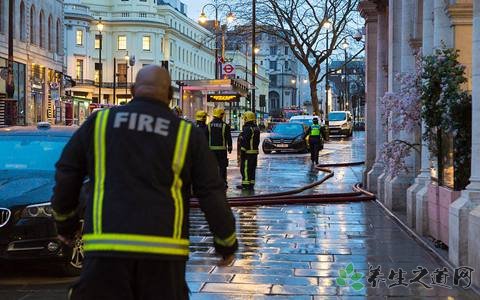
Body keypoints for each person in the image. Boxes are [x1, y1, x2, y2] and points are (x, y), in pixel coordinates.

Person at [51, 65, 237, 300]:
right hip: (163, 254)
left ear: (131, 90)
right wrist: (226, 241)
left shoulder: (99, 123)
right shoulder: (185, 134)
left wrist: (65, 224)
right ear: (170, 94)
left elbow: (68, 172)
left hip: (105, 250)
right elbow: (211, 192)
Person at [207, 108, 232, 187]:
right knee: (222, 167)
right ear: (221, 115)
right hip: (222, 150)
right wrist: (230, 147)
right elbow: (229, 137)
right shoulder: (225, 126)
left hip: (211, 150)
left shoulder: (209, 125)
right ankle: (223, 182)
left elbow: (206, 137)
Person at [237, 111, 260, 190]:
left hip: (247, 152)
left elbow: (245, 141)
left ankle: (245, 184)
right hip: (254, 152)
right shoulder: (256, 128)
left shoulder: (247, 128)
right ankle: (251, 184)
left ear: (247, 118)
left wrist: (242, 151)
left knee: (245, 169)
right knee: (252, 169)